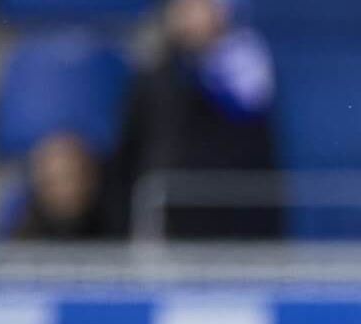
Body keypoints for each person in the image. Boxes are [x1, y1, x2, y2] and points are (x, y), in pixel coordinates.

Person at [109, 0, 279, 238]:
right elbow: (131, 151)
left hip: (233, 223)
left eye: (200, 6)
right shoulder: (153, 77)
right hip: (167, 220)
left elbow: (255, 150)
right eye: (183, 7)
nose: (191, 16)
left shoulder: (248, 72)